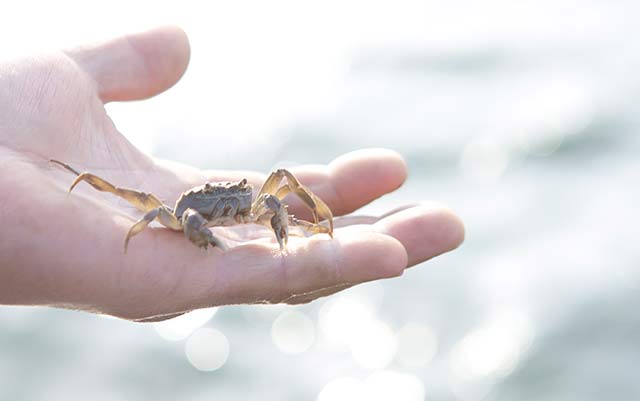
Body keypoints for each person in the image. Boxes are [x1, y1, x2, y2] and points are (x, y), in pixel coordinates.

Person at [0, 26, 464, 322]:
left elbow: (278, 191)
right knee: (122, 193)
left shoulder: (249, 199)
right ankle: (73, 177)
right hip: (186, 216)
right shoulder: (180, 212)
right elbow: (143, 209)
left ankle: (313, 225)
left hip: (228, 210)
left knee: (283, 183)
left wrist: (298, 220)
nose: (232, 200)